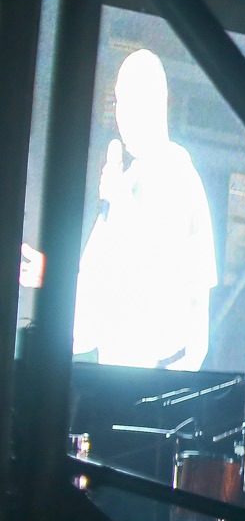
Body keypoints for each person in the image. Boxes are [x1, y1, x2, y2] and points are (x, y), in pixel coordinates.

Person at [73, 48, 216, 371]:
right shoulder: (127, 180)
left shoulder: (177, 174)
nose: (120, 115)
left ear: (155, 103)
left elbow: (165, 280)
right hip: (113, 375)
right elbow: (92, 298)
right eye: (117, 103)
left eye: (127, 101)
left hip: (155, 381)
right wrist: (51, 276)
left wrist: (121, 200)